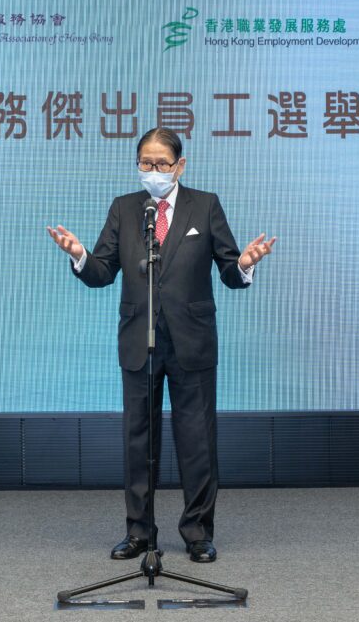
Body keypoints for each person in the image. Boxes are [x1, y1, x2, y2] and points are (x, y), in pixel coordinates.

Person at [47, 127, 276, 563]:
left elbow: (229, 270)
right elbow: (102, 271)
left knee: (197, 439)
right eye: (145, 164)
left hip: (192, 340)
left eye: (161, 164)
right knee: (138, 439)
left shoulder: (205, 205)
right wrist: (79, 255)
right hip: (140, 339)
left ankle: (198, 532)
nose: (153, 171)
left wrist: (245, 265)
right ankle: (138, 531)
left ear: (180, 166)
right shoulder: (125, 208)